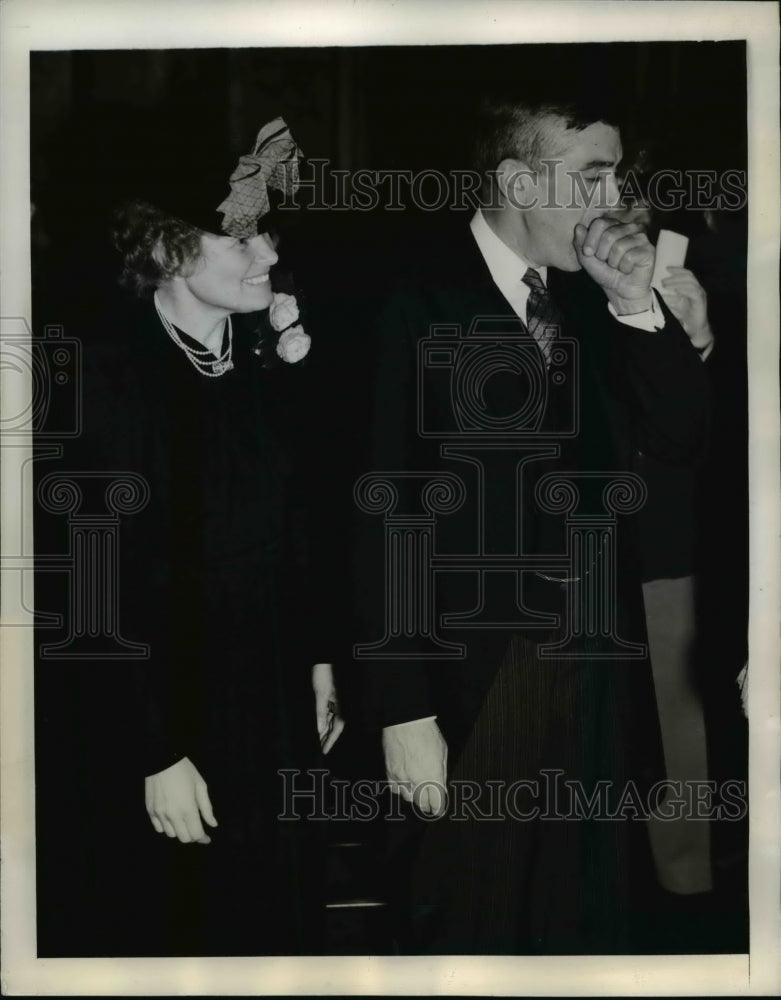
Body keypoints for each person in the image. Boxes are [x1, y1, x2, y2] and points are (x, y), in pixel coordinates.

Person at [355, 95, 710, 953]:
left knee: (586, 913)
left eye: (615, 174)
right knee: (465, 916)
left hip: (593, 660)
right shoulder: (402, 296)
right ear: (517, 179)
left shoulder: (592, 296)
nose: (613, 197)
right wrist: (401, 710)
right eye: (592, 175)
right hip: (470, 674)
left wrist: (638, 309)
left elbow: (678, 437)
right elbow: (377, 509)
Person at [34, 114, 343, 956]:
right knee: (184, 919)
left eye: (269, 237)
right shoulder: (105, 374)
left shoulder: (263, 358)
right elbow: (89, 588)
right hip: (168, 700)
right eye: (241, 242)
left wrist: (317, 661)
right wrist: (155, 752)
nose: (268, 257)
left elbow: (301, 525)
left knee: (281, 909)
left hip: (273, 684)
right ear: (169, 251)